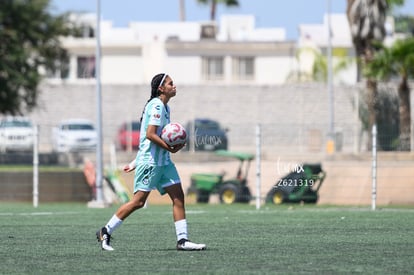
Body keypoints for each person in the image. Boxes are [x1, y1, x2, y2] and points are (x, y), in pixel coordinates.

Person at [96, 73, 206, 251]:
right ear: (161, 88)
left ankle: (183, 240)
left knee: (178, 197)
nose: (174, 86)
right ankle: (105, 230)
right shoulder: (156, 105)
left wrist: (135, 161)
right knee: (138, 202)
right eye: (171, 83)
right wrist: (166, 149)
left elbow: (147, 139)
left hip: (164, 163)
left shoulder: (165, 107)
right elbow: (150, 134)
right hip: (151, 163)